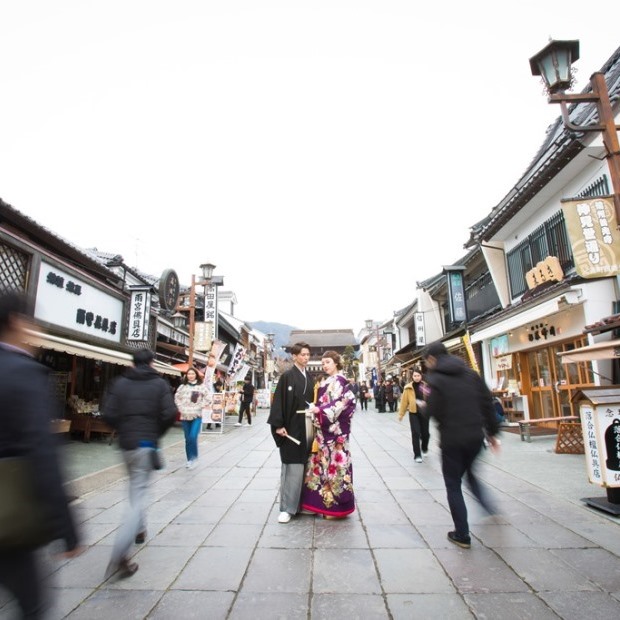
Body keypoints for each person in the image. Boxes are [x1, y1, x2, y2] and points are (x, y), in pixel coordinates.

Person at [0, 292, 82, 619]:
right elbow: (43, 454)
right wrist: (67, 528)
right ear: (16, 322)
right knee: (32, 606)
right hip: (10, 515)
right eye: (32, 322)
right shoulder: (24, 374)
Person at [101, 348, 177, 578]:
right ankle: (120, 553)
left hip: (126, 445)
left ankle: (140, 529)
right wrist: (155, 433)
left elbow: (107, 413)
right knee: (139, 493)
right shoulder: (160, 384)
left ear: (133, 363)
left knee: (136, 487)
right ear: (152, 362)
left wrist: (123, 428)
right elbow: (170, 413)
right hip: (146, 443)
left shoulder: (120, 383)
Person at [423, 341, 501, 549]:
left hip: (451, 440)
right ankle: (489, 507)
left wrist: (424, 404)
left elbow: (430, 411)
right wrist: (492, 434)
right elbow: (487, 403)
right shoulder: (471, 375)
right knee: (471, 473)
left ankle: (462, 534)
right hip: (475, 438)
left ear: (432, 358)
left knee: (453, 484)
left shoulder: (435, 379)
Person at [300, 351, 356, 518]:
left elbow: (342, 403)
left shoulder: (339, 381)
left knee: (335, 467)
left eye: (328, 362)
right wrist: (317, 409)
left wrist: (320, 410)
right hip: (326, 431)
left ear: (337, 363)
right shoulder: (329, 382)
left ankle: (336, 508)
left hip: (335, 432)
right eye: (323, 362)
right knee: (324, 465)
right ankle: (325, 505)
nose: (325, 365)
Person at [267, 342, 315, 524]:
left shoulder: (309, 377)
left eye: (308, 354)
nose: (306, 357)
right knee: (292, 465)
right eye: (302, 354)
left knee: (306, 464)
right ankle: (287, 508)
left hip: (307, 425)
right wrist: (278, 424)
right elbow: (278, 401)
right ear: (294, 356)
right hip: (291, 426)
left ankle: (302, 504)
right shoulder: (287, 376)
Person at [174, 367, 205, 469]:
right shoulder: (182, 387)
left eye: (192, 374)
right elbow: (177, 398)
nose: (191, 375)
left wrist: (199, 406)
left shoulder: (201, 387)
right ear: (186, 375)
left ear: (196, 375)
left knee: (193, 436)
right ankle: (189, 460)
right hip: (184, 415)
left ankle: (194, 457)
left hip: (196, 416)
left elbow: (208, 398)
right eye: (189, 374)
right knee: (187, 439)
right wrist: (180, 408)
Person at [398, 369, 430, 463]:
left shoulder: (425, 386)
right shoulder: (408, 387)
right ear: (412, 377)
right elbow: (404, 401)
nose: (416, 377)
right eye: (415, 376)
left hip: (424, 413)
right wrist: (401, 414)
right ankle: (417, 454)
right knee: (415, 433)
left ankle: (424, 447)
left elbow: (431, 398)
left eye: (418, 376)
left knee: (425, 434)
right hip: (413, 413)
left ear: (421, 376)